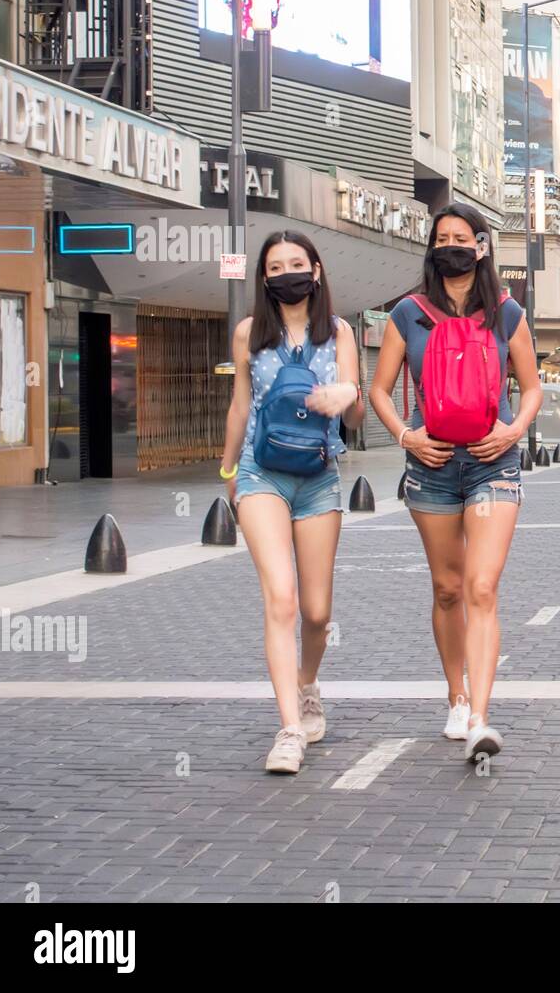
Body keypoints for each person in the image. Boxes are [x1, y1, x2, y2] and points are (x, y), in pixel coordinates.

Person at [369, 203, 542, 763]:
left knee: (482, 587)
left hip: (493, 463)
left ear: (481, 246)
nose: (451, 246)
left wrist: (514, 429)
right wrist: (405, 436)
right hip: (433, 467)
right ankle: (455, 693)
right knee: (447, 587)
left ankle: (480, 717)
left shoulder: (507, 313)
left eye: (460, 238)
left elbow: (532, 386)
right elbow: (379, 388)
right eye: (441, 238)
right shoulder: (406, 314)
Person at [221, 231, 365, 774]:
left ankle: (308, 684)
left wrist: (347, 395)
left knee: (316, 610)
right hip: (262, 474)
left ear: (317, 270)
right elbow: (241, 405)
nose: (287, 274)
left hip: (320, 477)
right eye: (275, 267)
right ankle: (287, 729)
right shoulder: (248, 335)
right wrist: (229, 468)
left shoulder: (341, 334)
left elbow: (353, 419)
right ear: (263, 278)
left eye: (296, 264)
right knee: (280, 599)